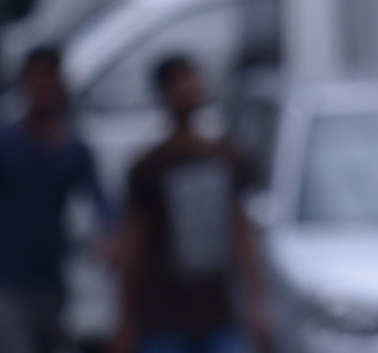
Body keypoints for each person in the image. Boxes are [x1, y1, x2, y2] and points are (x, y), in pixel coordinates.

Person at [110, 52, 268, 353]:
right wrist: (126, 320)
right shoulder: (150, 168)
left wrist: (257, 306)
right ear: (163, 95)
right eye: (178, 81)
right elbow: (133, 244)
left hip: (216, 309)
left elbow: (242, 235)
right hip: (163, 313)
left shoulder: (226, 159)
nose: (188, 87)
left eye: (191, 77)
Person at [0, 45, 109, 353]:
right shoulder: (0, 146)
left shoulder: (72, 149)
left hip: (50, 280)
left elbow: (100, 205)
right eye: (36, 77)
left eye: (49, 77)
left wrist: (109, 238)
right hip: (5, 280)